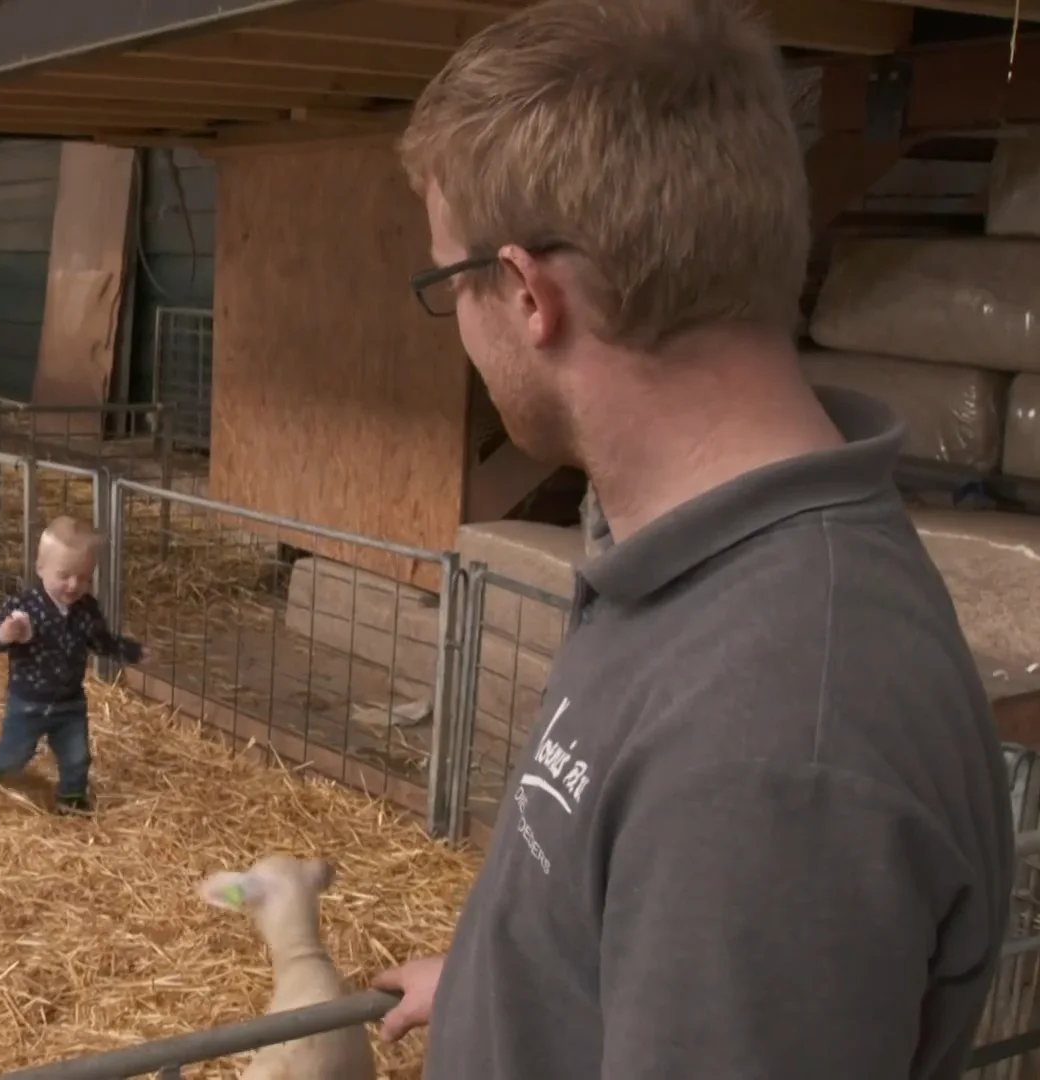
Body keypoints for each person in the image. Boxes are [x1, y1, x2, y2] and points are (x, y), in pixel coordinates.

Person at [371, 0, 1015, 1076]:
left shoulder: (775, 747)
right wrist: (502, 981)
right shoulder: (689, 569)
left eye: (450, 284)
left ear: (528, 294)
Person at [0, 515, 142, 815]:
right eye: (65, 575)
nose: (74, 584)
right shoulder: (23, 607)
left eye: (83, 577)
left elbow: (101, 642)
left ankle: (71, 799)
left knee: (77, 756)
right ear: (40, 567)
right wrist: (6, 633)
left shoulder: (86, 609)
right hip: (27, 702)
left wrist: (133, 652)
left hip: (69, 703)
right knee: (16, 750)